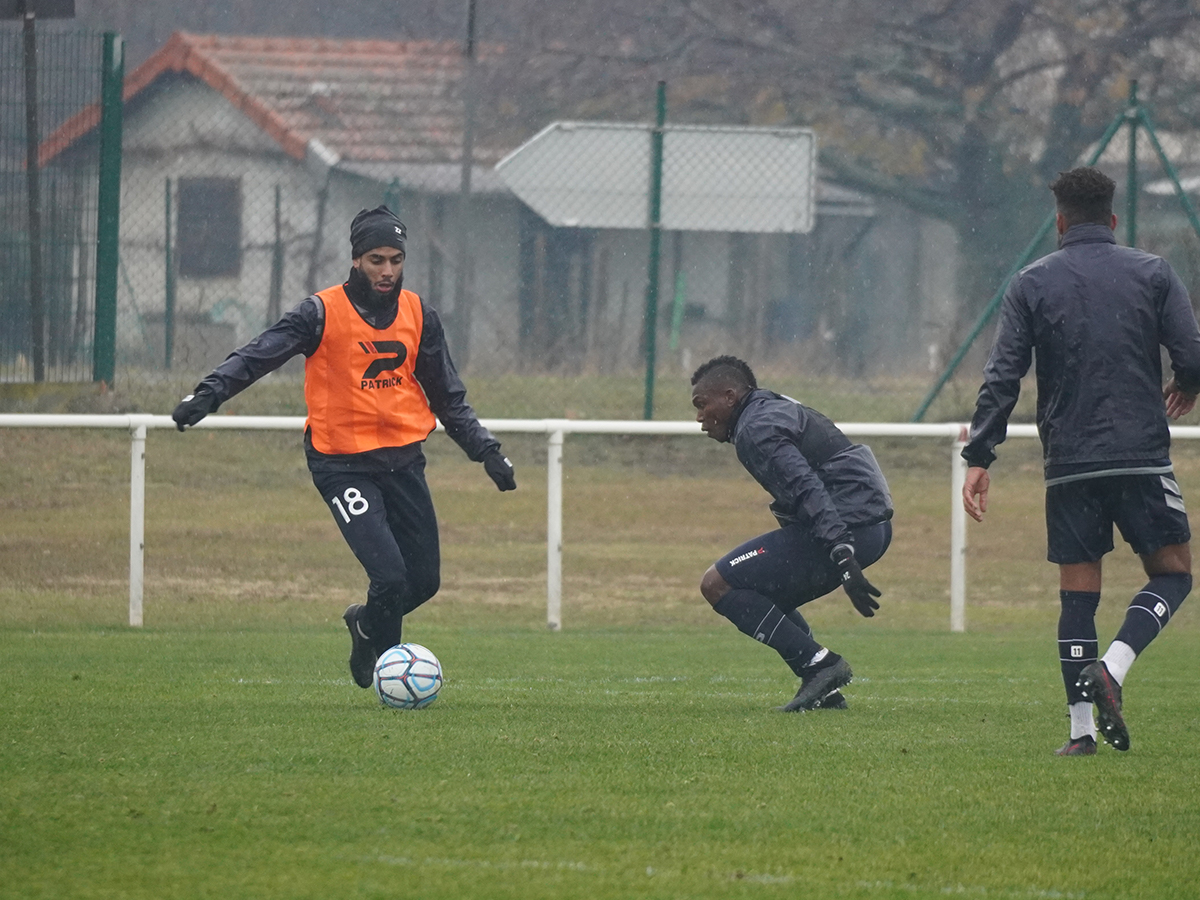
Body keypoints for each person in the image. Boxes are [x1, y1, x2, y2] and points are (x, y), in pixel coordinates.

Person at [172, 205, 516, 689]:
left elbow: (447, 396)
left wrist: (487, 451)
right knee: (391, 578)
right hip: (342, 465)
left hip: (403, 463)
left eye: (396, 259)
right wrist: (208, 393)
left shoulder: (420, 315)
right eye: (377, 259)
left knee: (423, 581)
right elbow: (258, 355)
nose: (388, 271)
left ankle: (366, 625)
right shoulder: (320, 313)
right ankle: (392, 683)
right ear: (356, 259)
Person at [961, 166, 1200, 755]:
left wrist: (979, 455)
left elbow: (1003, 376)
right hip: (1140, 454)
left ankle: (1080, 734)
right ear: (1113, 220)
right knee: (1173, 574)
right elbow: (1191, 351)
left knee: (1078, 596)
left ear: (1059, 221)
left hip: (1069, 463)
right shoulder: (1153, 272)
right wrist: (1188, 384)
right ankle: (1113, 668)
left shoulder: (1031, 282)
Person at [690, 355, 893, 711]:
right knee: (757, 599)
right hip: (866, 526)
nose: (699, 418)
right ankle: (825, 690)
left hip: (850, 528)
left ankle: (822, 666)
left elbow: (807, 487)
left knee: (717, 584)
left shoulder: (756, 427)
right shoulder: (768, 408)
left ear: (730, 396)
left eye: (702, 405)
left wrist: (842, 551)